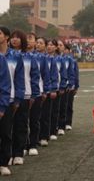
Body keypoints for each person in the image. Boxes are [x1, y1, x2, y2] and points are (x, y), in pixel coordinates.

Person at [10, 29, 40, 166]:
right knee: (7, 127)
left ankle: (18, 153)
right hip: (8, 95)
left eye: (17, 37)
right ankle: (8, 153)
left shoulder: (29, 57)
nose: (14, 39)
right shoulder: (6, 55)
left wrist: (34, 94)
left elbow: (34, 77)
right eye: (12, 37)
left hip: (25, 94)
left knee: (21, 124)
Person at [0, 26, 24, 176]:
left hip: (7, 99)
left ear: (6, 37)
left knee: (6, 132)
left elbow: (16, 80)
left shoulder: (13, 56)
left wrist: (17, 98)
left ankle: (4, 161)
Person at [38, 37, 58, 148]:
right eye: (37, 42)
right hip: (35, 91)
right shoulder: (32, 57)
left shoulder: (50, 59)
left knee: (45, 114)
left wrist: (53, 89)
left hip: (46, 90)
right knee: (35, 117)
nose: (38, 45)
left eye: (41, 43)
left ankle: (44, 136)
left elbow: (53, 75)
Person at [0, 27, 13, 176]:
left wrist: (2, 107)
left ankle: (3, 163)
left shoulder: (1, 59)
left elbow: (5, 85)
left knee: (4, 133)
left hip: (1, 104)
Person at [64, 43, 79, 131]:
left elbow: (76, 74)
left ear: (69, 51)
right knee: (62, 106)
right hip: (62, 86)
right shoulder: (58, 59)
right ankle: (61, 123)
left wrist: (76, 86)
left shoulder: (73, 61)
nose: (64, 51)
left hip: (71, 86)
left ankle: (68, 123)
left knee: (69, 105)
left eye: (66, 49)